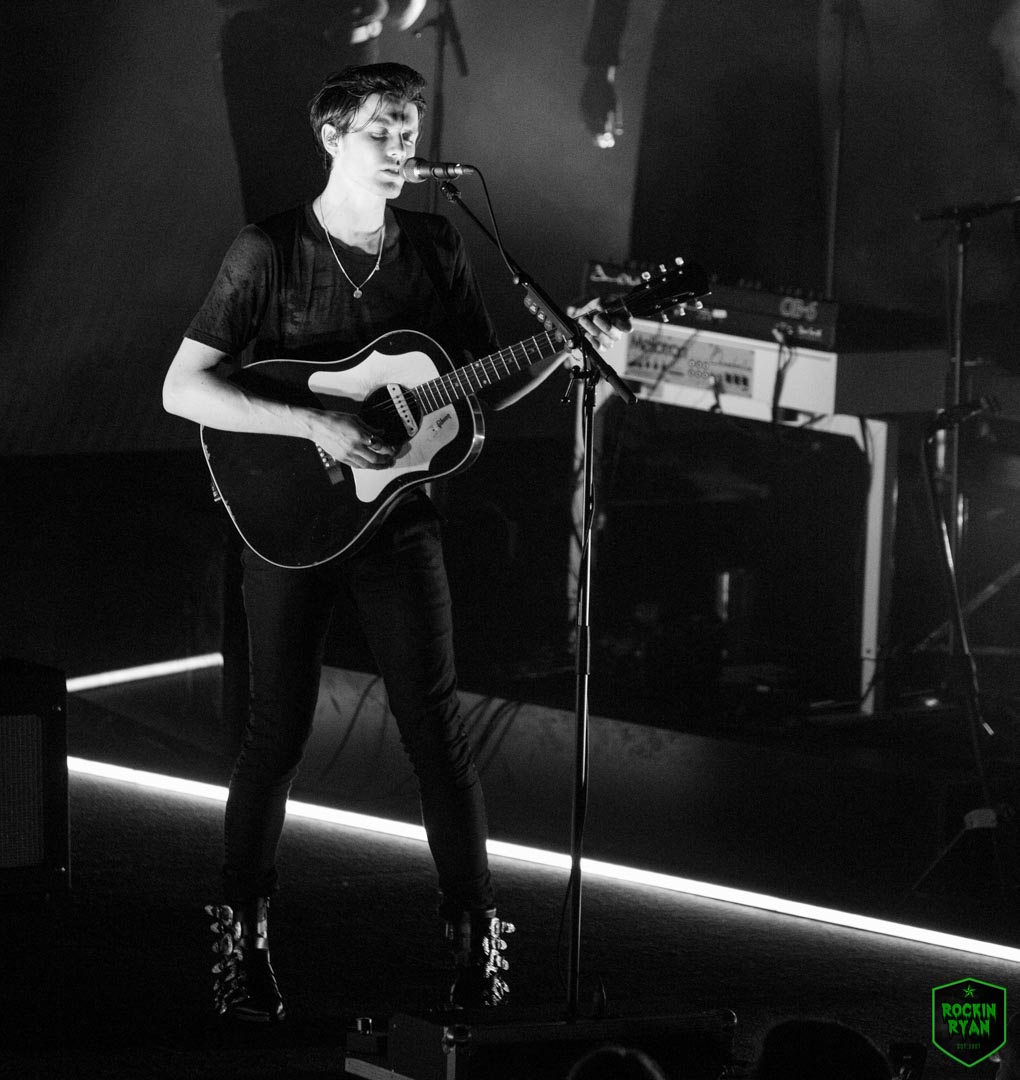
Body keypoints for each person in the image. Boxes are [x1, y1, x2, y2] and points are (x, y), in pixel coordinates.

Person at [162, 62, 627, 1022]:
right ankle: (242, 946)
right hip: (283, 519)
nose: (402, 145)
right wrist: (317, 423)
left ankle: (477, 945)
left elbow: (475, 385)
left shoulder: (435, 244)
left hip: (397, 522)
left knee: (437, 734)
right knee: (275, 734)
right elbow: (184, 387)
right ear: (332, 137)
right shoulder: (269, 250)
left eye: (410, 129)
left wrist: (561, 348)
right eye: (382, 128)